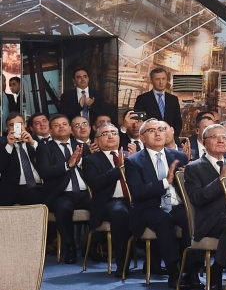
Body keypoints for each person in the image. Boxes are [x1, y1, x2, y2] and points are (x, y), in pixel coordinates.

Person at [124, 119, 198, 290]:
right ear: (142, 138)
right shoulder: (133, 161)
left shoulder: (179, 156)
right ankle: (173, 272)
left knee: (190, 218)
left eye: (161, 129)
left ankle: (191, 272)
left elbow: (189, 187)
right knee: (164, 220)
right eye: (152, 130)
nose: (158, 133)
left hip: (176, 205)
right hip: (149, 208)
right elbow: (138, 192)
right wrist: (166, 182)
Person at [183, 123, 226, 290]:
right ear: (204, 142)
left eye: (224, 137)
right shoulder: (194, 167)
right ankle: (218, 270)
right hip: (209, 221)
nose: (221, 140)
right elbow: (197, 198)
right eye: (215, 137)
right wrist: (221, 180)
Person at [36, 114, 92, 264]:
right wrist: (68, 165)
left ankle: (92, 246)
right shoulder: (44, 149)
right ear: (51, 130)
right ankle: (70, 246)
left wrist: (81, 164)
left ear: (70, 129)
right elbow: (44, 172)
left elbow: (92, 170)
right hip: (61, 193)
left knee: (100, 205)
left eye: (64, 124)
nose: (61, 127)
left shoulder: (82, 146)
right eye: (56, 125)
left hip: (84, 192)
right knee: (63, 207)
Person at [81, 122, 131, 276]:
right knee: (120, 212)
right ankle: (122, 264)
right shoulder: (91, 160)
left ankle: (156, 264)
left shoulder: (132, 157)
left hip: (135, 200)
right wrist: (119, 169)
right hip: (109, 203)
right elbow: (96, 183)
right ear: (96, 141)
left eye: (114, 133)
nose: (110, 136)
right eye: (105, 134)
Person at [0, 113, 45, 206]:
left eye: (19, 124)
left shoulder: (37, 143)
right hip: (14, 189)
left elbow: (47, 157)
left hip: (39, 186)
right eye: (12, 125)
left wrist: (32, 143)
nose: (17, 128)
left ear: (25, 125)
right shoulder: (3, 147)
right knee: (32, 196)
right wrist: (9, 145)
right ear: (7, 129)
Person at [133, 67, 183, 137]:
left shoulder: (173, 99)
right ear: (151, 81)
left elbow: (178, 122)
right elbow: (139, 122)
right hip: (150, 139)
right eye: (157, 79)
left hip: (169, 138)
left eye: (163, 79)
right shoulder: (142, 99)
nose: (161, 82)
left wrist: (173, 137)